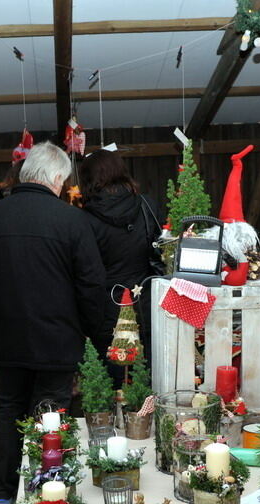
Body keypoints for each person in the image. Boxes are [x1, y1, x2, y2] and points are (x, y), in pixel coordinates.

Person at [0, 142, 105, 504]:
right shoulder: (72, 220)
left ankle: (4, 488)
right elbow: (91, 285)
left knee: (9, 409)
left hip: (9, 336)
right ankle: (48, 489)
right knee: (50, 414)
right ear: (56, 178)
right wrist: (92, 331)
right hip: (59, 339)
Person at [78, 149, 164, 386]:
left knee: (111, 381)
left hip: (105, 308)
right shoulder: (147, 205)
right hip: (146, 303)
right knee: (149, 376)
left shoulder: (83, 220)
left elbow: (84, 270)